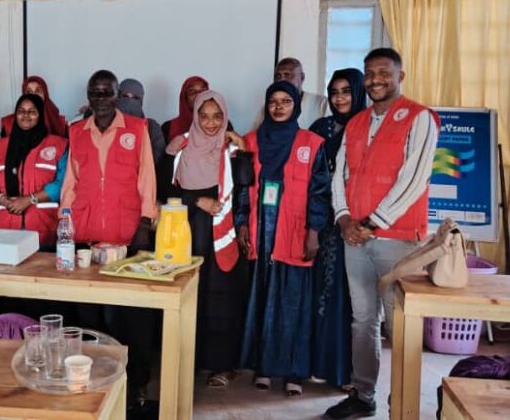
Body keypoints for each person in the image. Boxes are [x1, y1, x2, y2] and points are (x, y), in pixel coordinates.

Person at [324, 48, 439, 419]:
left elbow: (414, 180)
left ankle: (402, 404)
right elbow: (341, 175)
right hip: (355, 238)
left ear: (399, 76)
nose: (376, 80)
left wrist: (371, 223)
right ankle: (363, 395)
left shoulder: (420, 118)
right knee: (363, 320)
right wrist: (344, 219)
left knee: (400, 323)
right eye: (370, 73)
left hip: (398, 239)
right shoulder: (356, 123)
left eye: (384, 72)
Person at [60, 69, 157, 410]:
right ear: (88, 96)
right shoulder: (76, 132)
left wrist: (145, 222)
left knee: (133, 317)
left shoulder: (137, 129)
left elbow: (147, 177)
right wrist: (65, 223)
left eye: (106, 92)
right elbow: (70, 182)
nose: (100, 99)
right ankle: (93, 383)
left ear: (116, 95)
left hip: (128, 236)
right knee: (89, 317)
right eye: (95, 93)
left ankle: (136, 384)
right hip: (86, 235)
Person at [238, 80, 330, 396]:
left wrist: (314, 232)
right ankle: (264, 368)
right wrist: (241, 224)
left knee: (294, 304)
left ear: (296, 106)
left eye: (286, 101)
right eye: (273, 101)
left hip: (295, 232)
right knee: (263, 300)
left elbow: (320, 193)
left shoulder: (312, 143)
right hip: (261, 231)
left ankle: (295, 372)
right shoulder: (251, 141)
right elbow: (242, 188)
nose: (278, 107)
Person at [164, 90, 249, 388]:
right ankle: (191, 361)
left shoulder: (231, 148)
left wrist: (243, 149)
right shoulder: (179, 146)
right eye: (204, 116)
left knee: (221, 296)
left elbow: (246, 184)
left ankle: (222, 366)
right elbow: (165, 190)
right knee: (189, 295)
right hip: (188, 231)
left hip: (222, 234)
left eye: (217, 116)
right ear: (195, 116)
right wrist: (197, 200)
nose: (211, 123)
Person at [308, 68, 367, 388]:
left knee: (355, 300)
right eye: (334, 92)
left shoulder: (369, 127)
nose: (340, 98)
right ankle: (321, 365)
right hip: (326, 221)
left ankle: (348, 373)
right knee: (325, 291)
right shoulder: (321, 128)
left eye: (346, 91)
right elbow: (310, 176)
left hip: (360, 222)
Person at [0, 93, 68, 249]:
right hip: (4, 229)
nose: (26, 115)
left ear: (40, 115)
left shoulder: (58, 145)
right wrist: (2, 200)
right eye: (21, 111)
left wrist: (29, 200)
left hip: (44, 230)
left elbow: (63, 183)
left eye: (32, 111)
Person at [117, 78, 166, 165]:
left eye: (135, 97)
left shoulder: (151, 127)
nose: (129, 101)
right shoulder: (105, 123)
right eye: (125, 96)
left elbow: (158, 159)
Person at [268, 57, 327, 129]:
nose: (281, 80)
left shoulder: (322, 103)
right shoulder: (271, 107)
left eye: (287, 75)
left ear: (302, 77)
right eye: (278, 76)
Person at [0, 76, 67, 137]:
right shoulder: (8, 123)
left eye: (38, 91)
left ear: (45, 94)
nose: (33, 95)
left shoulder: (59, 122)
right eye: (29, 92)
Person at [161, 75, 209, 143]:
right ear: (184, 98)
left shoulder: (220, 125)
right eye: (192, 92)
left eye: (203, 91)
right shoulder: (168, 127)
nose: (198, 95)